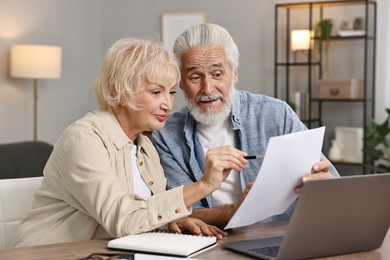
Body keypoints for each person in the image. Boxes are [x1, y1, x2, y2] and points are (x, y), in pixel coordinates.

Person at [11, 38, 245, 247]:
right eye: (156, 92)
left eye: (171, 92)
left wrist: (176, 221)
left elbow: (145, 210)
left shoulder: (145, 147)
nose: (167, 104)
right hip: (47, 254)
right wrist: (203, 185)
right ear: (119, 90)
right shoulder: (84, 139)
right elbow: (122, 219)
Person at [152, 23, 340, 228]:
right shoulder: (166, 134)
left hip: (280, 236)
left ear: (234, 74)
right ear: (180, 83)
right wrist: (235, 211)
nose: (207, 88)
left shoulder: (276, 114)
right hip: (213, 242)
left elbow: (332, 184)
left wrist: (325, 185)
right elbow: (183, 214)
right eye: (195, 77)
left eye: (217, 74)